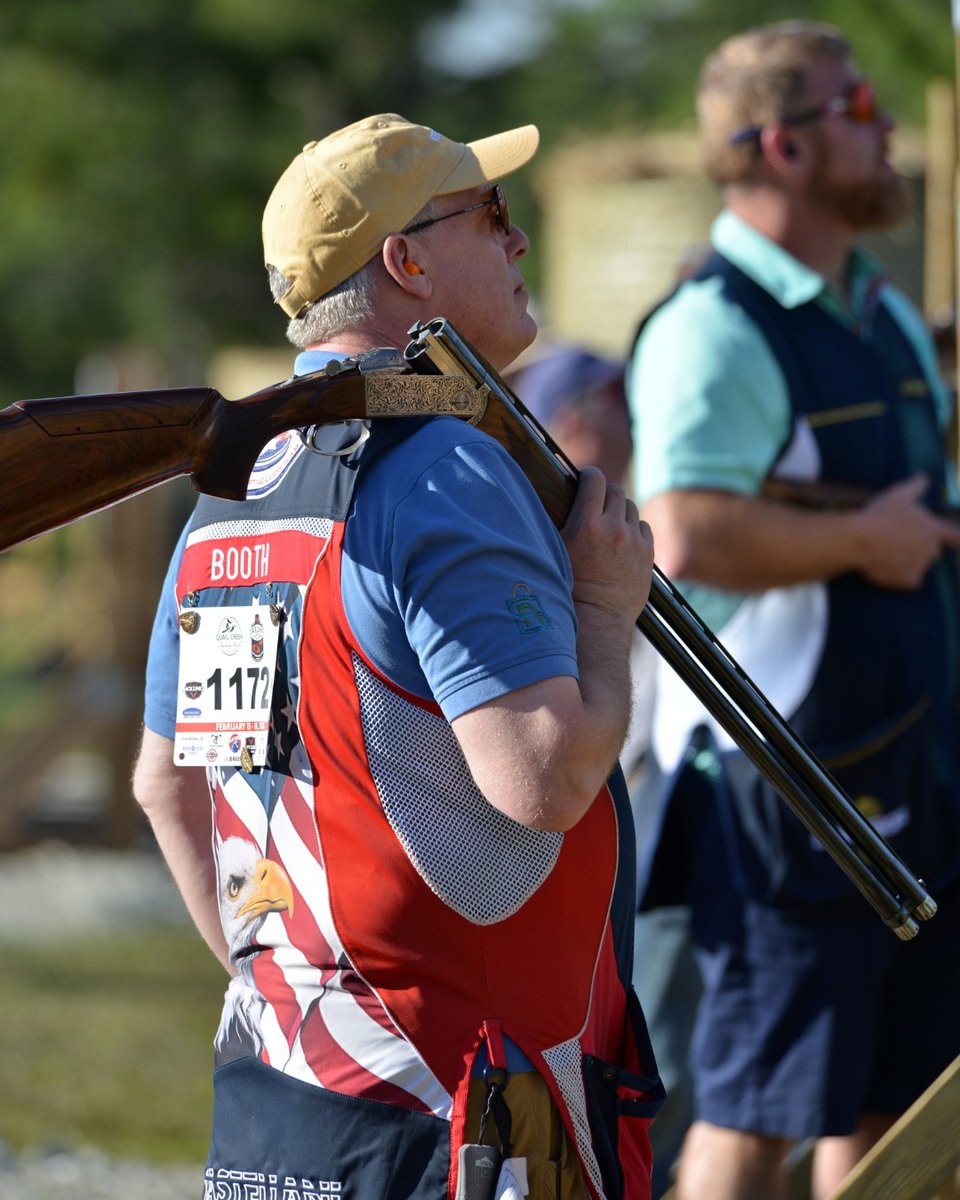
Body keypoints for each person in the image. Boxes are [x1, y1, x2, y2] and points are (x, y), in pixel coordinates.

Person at [133, 113, 664, 1200]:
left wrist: (288, 982)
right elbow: (544, 777)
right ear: (407, 262)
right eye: (493, 216)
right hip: (470, 1118)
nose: (519, 243)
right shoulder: (443, 467)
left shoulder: (233, 499)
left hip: (287, 1098)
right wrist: (607, 608)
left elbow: (168, 786)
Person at [628, 21, 960, 1200]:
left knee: (892, 1108)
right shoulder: (714, 324)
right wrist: (865, 540)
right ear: (786, 145)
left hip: (907, 769)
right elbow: (685, 533)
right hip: (785, 786)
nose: (884, 126)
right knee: (757, 1112)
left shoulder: (879, 309)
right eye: (857, 104)